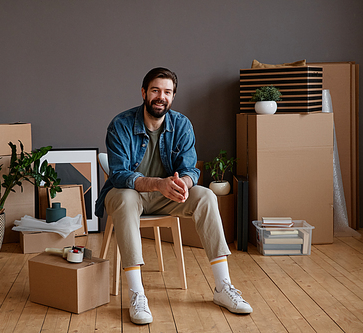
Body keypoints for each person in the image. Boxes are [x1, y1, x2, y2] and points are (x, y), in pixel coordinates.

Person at [95, 67, 252, 325]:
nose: (161, 97)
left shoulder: (181, 124)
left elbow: (191, 169)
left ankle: (223, 287)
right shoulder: (120, 125)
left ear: (173, 96)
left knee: (206, 196)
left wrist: (184, 184)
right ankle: (137, 294)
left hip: (167, 194)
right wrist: (158, 184)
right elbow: (120, 174)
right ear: (144, 92)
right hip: (128, 196)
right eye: (155, 90)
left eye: (167, 92)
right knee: (125, 198)